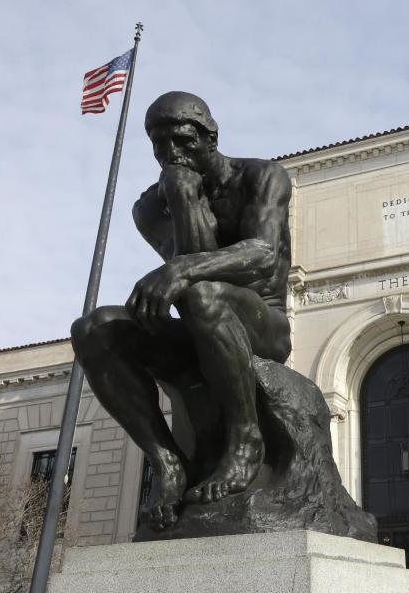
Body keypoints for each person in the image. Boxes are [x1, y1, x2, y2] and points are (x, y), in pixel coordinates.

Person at [71, 92, 292, 530]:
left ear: (210, 135)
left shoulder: (262, 177)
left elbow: (263, 255)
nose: (172, 153)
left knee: (202, 293)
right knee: (93, 328)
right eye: (160, 144)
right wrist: (183, 195)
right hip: (198, 327)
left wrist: (181, 269)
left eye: (183, 140)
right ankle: (167, 461)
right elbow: (190, 262)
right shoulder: (150, 206)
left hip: (263, 323)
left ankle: (245, 440)